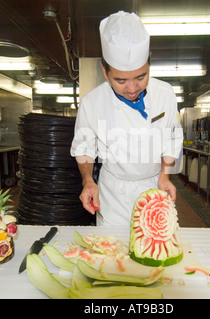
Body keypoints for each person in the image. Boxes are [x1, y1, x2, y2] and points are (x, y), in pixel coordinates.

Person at [70, 11, 183, 226]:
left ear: (149, 64)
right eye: (121, 80)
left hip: (154, 187)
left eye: (141, 77)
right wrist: (88, 181)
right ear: (104, 70)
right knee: (112, 254)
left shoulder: (165, 94)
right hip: (114, 194)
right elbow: (84, 147)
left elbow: (172, 139)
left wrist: (165, 175)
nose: (132, 88)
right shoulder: (92, 103)